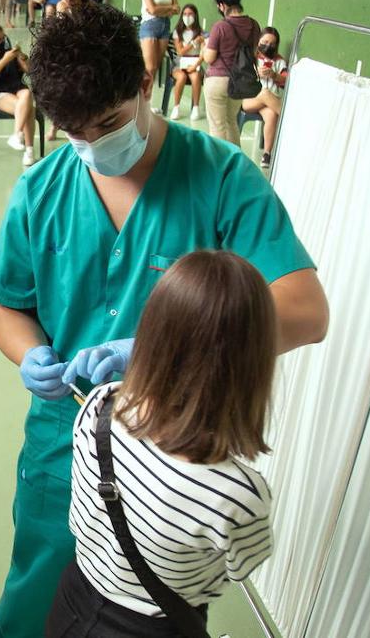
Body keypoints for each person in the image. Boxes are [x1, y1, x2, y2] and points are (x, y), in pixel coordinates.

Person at [0, 4, 329, 638]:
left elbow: (305, 311)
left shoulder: (221, 180)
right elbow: (10, 307)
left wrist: (163, 352)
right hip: (66, 444)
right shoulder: (41, 191)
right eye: (73, 134)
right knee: (34, 602)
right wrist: (27, 351)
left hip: (175, 456)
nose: (91, 147)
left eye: (108, 125)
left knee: (141, 614)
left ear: (146, 84)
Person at [47, 250, 276, 637]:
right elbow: (238, 567)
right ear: (252, 363)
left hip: (72, 604)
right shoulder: (239, 494)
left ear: (149, 335)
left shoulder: (100, 406)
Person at [201, 0, 262, 145]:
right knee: (231, 123)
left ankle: (219, 164)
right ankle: (235, 161)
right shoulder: (254, 25)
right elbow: (254, 53)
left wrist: (204, 48)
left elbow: (209, 57)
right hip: (239, 81)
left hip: (217, 81)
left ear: (222, 5)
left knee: (217, 127)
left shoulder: (220, 26)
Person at [0, 25, 37, 169]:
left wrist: (21, 58)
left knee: (27, 94)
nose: (2, 41)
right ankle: (29, 151)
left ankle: (17, 135)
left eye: (3, 38)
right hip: (0, 94)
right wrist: (4, 60)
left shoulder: (10, 54)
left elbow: (30, 71)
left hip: (18, 90)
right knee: (28, 108)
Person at [241, 27, 288, 168]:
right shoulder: (251, 57)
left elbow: (286, 81)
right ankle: (289, 120)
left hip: (268, 105)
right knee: (265, 92)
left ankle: (267, 154)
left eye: (272, 44)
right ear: (259, 40)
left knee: (272, 115)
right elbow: (241, 78)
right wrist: (256, 75)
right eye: (265, 41)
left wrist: (274, 75)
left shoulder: (279, 61)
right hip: (250, 100)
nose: (268, 46)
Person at [139, 0, 179, 105]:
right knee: (148, 66)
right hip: (149, 25)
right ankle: (141, 98)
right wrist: (168, 9)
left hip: (165, 26)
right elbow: (152, 9)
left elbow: (177, 8)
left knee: (155, 66)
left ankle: (147, 99)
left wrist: (163, 10)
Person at [169, 4, 204, 121]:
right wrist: (194, 43)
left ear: (195, 16)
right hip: (180, 63)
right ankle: (176, 107)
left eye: (190, 14)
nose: (187, 17)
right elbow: (180, 51)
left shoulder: (201, 32)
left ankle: (195, 108)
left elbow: (204, 51)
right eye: (184, 14)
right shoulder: (177, 32)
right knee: (181, 77)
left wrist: (196, 65)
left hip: (195, 62)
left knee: (195, 77)